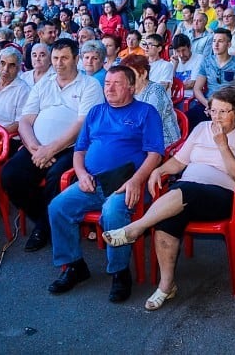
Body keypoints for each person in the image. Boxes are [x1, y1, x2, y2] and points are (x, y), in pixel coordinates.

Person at [102, 87, 235, 311]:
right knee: (167, 221)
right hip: (188, 193)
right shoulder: (201, 128)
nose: (217, 117)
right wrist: (160, 170)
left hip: (224, 199)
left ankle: (134, 229)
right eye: (213, 111)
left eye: (224, 111)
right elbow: (179, 162)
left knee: (186, 190)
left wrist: (223, 145)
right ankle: (167, 286)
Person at [45, 66, 164, 302]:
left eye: (117, 83)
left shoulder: (146, 112)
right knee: (57, 207)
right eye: (107, 83)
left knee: (113, 211)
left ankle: (119, 272)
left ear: (131, 87)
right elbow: (79, 150)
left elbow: (155, 154)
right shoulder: (95, 112)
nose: (109, 88)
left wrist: (135, 180)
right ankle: (74, 266)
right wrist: (80, 173)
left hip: (127, 183)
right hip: (93, 181)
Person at [1, 38, 104, 252]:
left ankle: (43, 228)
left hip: (72, 148)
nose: (58, 63)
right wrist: (35, 148)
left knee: (56, 177)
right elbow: (25, 121)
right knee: (10, 175)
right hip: (37, 147)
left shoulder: (90, 85)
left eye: (64, 58)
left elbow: (81, 124)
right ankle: (45, 220)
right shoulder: (44, 84)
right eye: (55, 58)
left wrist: (51, 149)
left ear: (76, 59)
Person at [120, 54, 181, 147]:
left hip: (164, 142)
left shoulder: (156, 91)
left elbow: (150, 126)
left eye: (131, 74)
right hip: (140, 139)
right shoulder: (129, 92)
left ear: (143, 74)